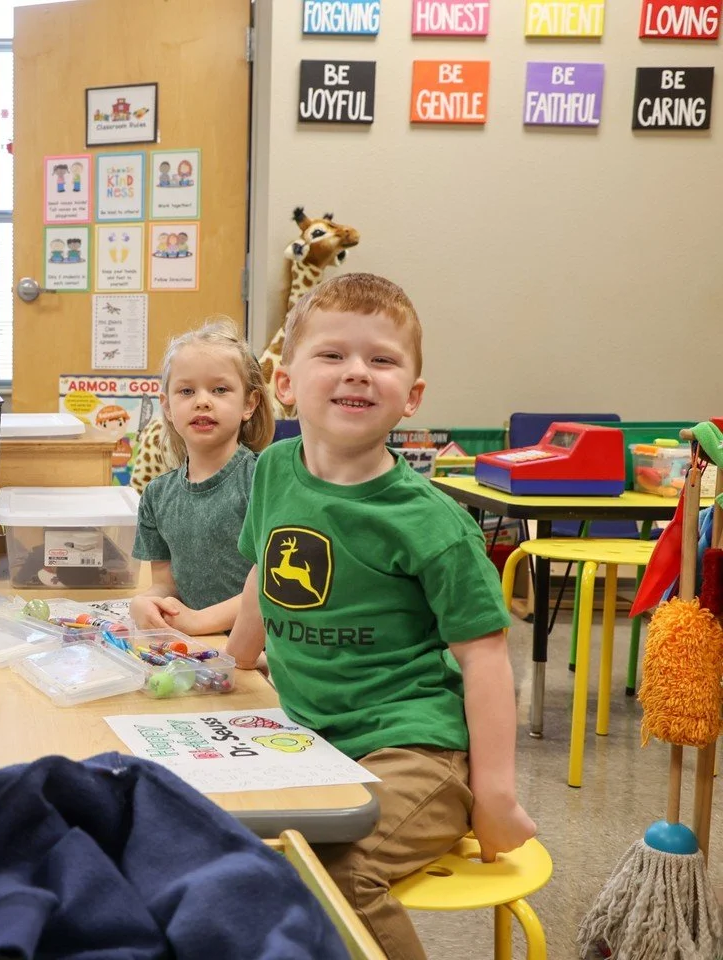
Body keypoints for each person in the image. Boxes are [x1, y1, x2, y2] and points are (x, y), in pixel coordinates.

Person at [227, 273, 535, 959]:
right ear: (284, 381)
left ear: (412, 397)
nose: (357, 373)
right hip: (312, 737)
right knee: (224, 842)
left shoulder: (432, 523)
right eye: (333, 355)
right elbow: (262, 574)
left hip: (417, 748)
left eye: (382, 360)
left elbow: (485, 659)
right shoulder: (275, 470)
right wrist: (231, 663)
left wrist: (495, 794)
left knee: (338, 873)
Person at [129, 317, 273, 636]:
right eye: (186, 390)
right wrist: (145, 603)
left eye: (220, 389)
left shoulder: (264, 479)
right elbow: (166, 585)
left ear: (249, 403)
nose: (203, 401)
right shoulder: (156, 496)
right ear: (167, 406)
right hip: (199, 648)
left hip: (264, 653)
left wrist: (200, 621)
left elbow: (274, 584)